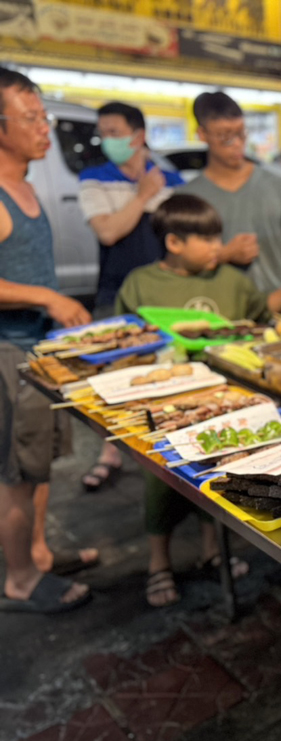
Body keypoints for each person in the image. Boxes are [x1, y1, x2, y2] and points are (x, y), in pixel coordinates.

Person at [115, 193, 281, 606]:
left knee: (217, 474)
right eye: (207, 240)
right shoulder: (141, 283)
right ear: (174, 243)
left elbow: (259, 315)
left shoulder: (230, 279)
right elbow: (129, 338)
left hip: (228, 398)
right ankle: (159, 562)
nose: (217, 247)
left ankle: (213, 549)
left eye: (218, 238)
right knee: (161, 480)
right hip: (169, 402)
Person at [0, 67, 92, 613]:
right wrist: (48, 298)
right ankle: (18, 580)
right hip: (10, 352)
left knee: (39, 466)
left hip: (39, 350)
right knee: (15, 474)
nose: (44, 128)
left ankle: (37, 554)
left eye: (44, 116)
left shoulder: (27, 186)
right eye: (32, 118)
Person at [77, 101, 182, 491]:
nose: (107, 140)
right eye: (103, 133)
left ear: (138, 136)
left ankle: (158, 446)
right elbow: (107, 231)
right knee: (112, 377)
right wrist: (142, 196)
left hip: (163, 296)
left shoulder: (171, 180)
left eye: (114, 132)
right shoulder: (94, 177)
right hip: (115, 290)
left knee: (159, 373)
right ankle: (109, 452)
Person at [177, 91, 281, 299]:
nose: (236, 143)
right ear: (202, 134)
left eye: (240, 133)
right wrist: (223, 255)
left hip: (277, 309)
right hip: (217, 314)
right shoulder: (188, 197)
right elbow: (179, 265)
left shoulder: (277, 185)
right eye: (224, 136)